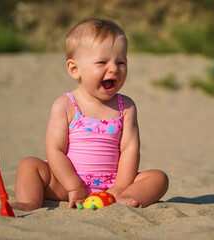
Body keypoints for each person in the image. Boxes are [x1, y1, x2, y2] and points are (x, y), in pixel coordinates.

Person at [15, 19, 169, 211]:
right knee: (29, 165)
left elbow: (130, 149)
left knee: (158, 178)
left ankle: (126, 198)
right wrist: (73, 186)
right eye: (102, 62)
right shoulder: (65, 105)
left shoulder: (126, 106)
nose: (114, 68)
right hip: (65, 184)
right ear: (74, 69)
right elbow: (54, 150)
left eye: (120, 62)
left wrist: (119, 188)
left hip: (112, 185)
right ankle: (30, 202)